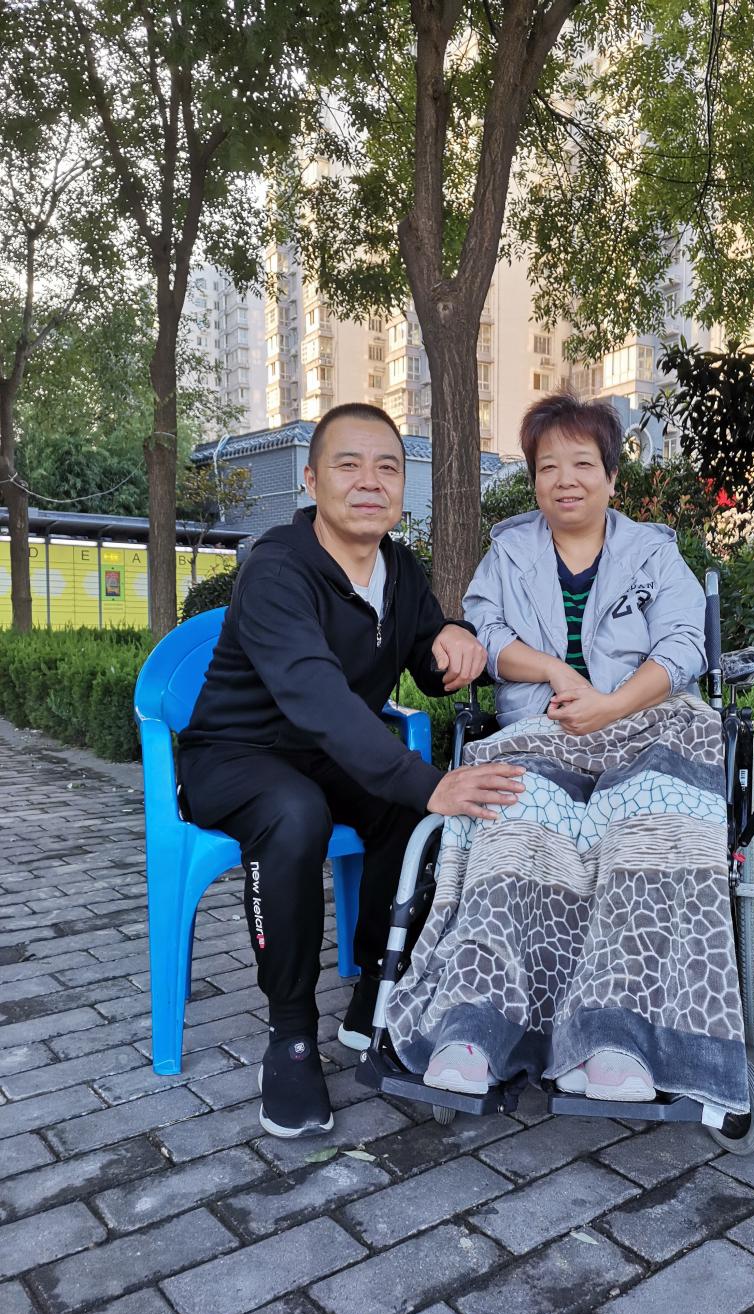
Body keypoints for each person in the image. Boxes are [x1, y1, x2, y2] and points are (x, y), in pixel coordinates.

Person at [385, 392, 749, 1116]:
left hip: (646, 726)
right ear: (533, 479)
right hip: (542, 731)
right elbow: (485, 635)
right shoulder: (509, 552)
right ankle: (476, 1025)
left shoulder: (653, 551)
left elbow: (685, 645)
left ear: (611, 476)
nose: (565, 479)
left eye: (582, 463)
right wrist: (556, 671)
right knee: (511, 822)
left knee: (651, 831)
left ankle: (618, 1037)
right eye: (547, 466)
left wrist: (611, 705)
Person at [177, 402, 524, 1138]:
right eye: (348, 464)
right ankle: (291, 1035)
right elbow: (319, 698)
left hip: (327, 757)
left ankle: (377, 988)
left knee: (412, 813)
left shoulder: (400, 568)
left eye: (387, 467)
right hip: (236, 757)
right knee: (297, 812)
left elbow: (427, 660)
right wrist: (429, 780)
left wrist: (455, 639)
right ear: (312, 480)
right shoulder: (276, 569)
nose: (370, 481)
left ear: (401, 486)